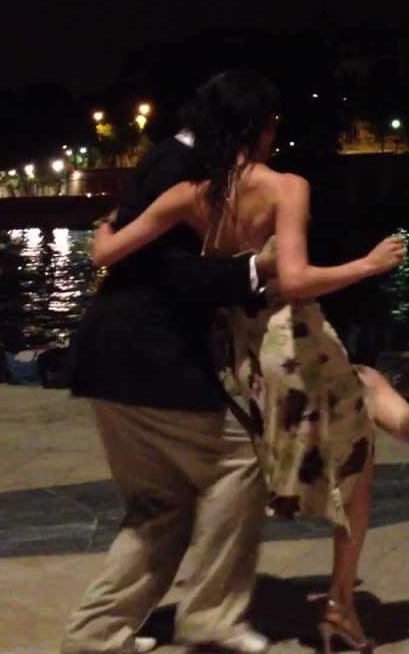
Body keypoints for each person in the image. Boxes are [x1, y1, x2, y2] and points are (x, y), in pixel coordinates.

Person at [93, 69, 409, 653]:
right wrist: (368, 265)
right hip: (296, 339)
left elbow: (106, 252)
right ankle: (350, 590)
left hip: (249, 359)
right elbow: (293, 279)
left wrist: (111, 222)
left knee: (362, 400)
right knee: (359, 451)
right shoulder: (288, 186)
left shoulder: (190, 195)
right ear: (261, 129)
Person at [61, 88, 290, 653]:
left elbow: (116, 245)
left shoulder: (168, 155)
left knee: (159, 507)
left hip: (109, 353)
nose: (274, 139)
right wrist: (253, 272)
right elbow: (170, 271)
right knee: (237, 462)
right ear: (249, 126)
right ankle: (210, 617)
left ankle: (96, 637)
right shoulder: (186, 168)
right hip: (149, 354)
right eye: (270, 126)